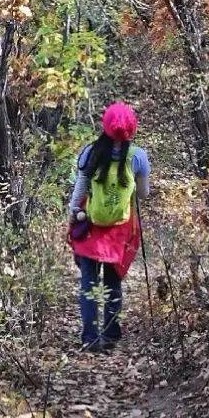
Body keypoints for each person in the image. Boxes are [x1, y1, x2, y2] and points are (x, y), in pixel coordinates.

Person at [66, 102, 150, 353]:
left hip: (90, 226)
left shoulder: (89, 153)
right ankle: (111, 335)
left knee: (88, 283)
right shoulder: (138, 156)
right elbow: (144, 194)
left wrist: (74, 215)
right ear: (132, 128)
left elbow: (79, 189)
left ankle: (90, 339)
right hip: (119, 229)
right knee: (113, 282)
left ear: (105, 124)